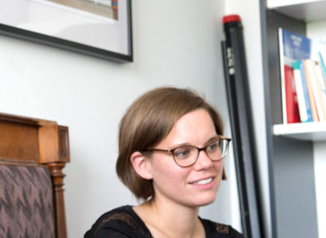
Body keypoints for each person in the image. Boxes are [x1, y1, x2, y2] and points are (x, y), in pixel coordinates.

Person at [85, 87, 243, 238]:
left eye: (212, 146)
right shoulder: (114, 233)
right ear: (143, 165)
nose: (206, 163)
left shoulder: (230, 235)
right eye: (183, 152)